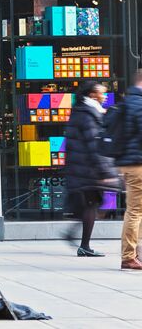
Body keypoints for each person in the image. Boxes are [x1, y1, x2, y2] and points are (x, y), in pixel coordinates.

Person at [63, 80, 117, 258]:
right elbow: (94, 144)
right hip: (88, 168)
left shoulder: (84, 111)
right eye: (102, 92)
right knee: (93, 204)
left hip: (83, 167)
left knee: (93, 204)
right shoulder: (88, 114)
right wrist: (104, 171)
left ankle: (76, 236)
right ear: (92, 95)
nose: (105, 96)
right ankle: (84, 245)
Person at [115, 71, 142, 271]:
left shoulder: (126, 102)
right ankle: (129, 256)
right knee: (135, 211)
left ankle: (135, 253)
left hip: (128, 162)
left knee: (137, 210)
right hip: (137, 163)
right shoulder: (138, 104)